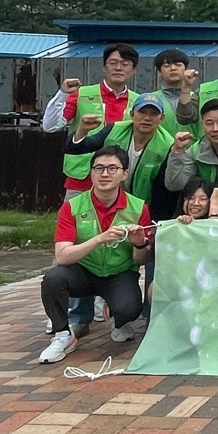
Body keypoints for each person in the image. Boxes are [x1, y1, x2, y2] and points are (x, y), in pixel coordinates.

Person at [38, 146, 153, 364]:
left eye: (112, 168)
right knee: (53, 279)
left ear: (124, 174)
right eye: (98, 168)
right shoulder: (72, 206)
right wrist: (99, 239)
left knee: (130, 308)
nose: (104, 174)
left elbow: (141, 260)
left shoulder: (139, 208)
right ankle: (63, 335)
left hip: (119, 273)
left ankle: (115, 315)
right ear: (91, 173)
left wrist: (139, 244)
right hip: (83, 271)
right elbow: (62, 256)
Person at [43, 42, 141, 192]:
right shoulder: (81, 93)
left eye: (125, 64)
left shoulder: (139, 102)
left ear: (133, 70)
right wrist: (62, 94)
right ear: (104, 67)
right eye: (113, 63)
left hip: (121, 181)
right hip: (82, 178)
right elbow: (50, 126)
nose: (118, 68)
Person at [62, 92, 176, 218]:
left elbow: (163, 192)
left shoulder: (168, 146)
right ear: (132, 114)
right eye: (142, 112)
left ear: (162, 118)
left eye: (154, 114)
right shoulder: (114, 130)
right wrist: (82, 130)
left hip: (144, 206)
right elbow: (74, 148)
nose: (147, 118)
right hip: (108, 199)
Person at [164, 99, 218, 218]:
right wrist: (177, 152)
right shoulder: (196, 151)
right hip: (206, 218)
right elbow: (175, 185)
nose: (215, 129)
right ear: (202, 125)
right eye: (209, 123)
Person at [150, 48, 199, 138]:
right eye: (167, 65)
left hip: (193, 146)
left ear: (186, 69)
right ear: (159, 72)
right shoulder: (151, 99)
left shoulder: (198, 98)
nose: (173, 68)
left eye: (178, 65)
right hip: (160, 147)